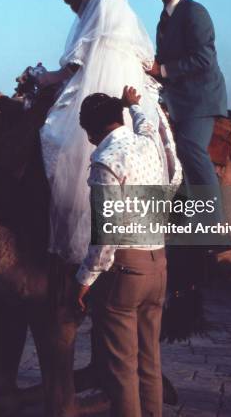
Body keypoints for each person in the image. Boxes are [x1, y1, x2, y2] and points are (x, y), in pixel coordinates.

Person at [38, 0, 161, 266]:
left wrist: (44, 78)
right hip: (129, 87)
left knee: (57, 137)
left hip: (98, 87)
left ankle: (82, 245)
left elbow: (75, 67)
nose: (74, 11)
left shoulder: (98, 13)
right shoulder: (123, 16)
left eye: (72, 4)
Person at [75, 86, 174, 417]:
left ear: (93, 127)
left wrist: (85, 279)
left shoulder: (105, 161)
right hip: (158, 264)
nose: (88, 139)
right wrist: (134, 106)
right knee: (150, 362)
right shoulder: (148, 145)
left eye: (86, 130)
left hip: (126, 272)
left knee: (122, 370)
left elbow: (108, 232)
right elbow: (150, 127)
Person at [146, 0, 227, 223]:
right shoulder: (163, 20)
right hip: (177, 101)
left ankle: (213, 226)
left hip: (200, 99)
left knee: (191, 148)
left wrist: (163, 70)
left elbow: (205, 58)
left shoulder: (194, 12)